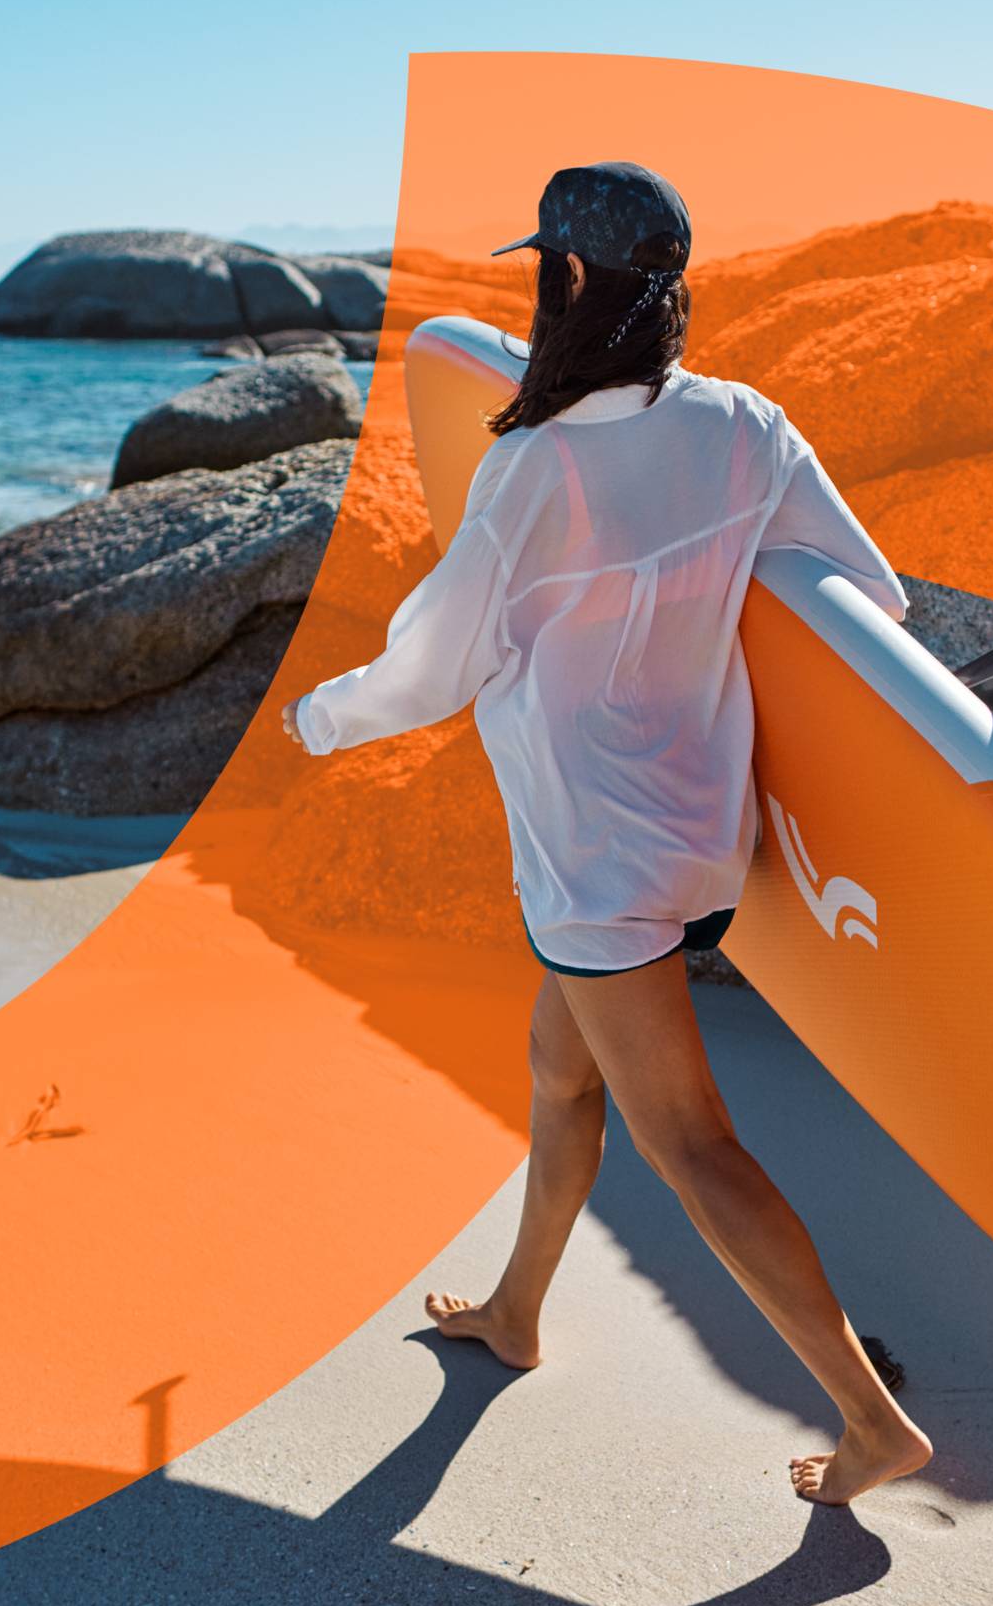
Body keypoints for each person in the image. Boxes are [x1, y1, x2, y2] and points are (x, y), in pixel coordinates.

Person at [277, 161, 933, 1505]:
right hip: (709, 839)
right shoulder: (751, 427)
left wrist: (319, 720)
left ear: (565, 280)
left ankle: (872, 1421)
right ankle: (516, 1311)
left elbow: (432, 667)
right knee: (558, 1064)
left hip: (597, 866)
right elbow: (873, 599)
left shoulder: (535, 468)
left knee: (690, 1140)